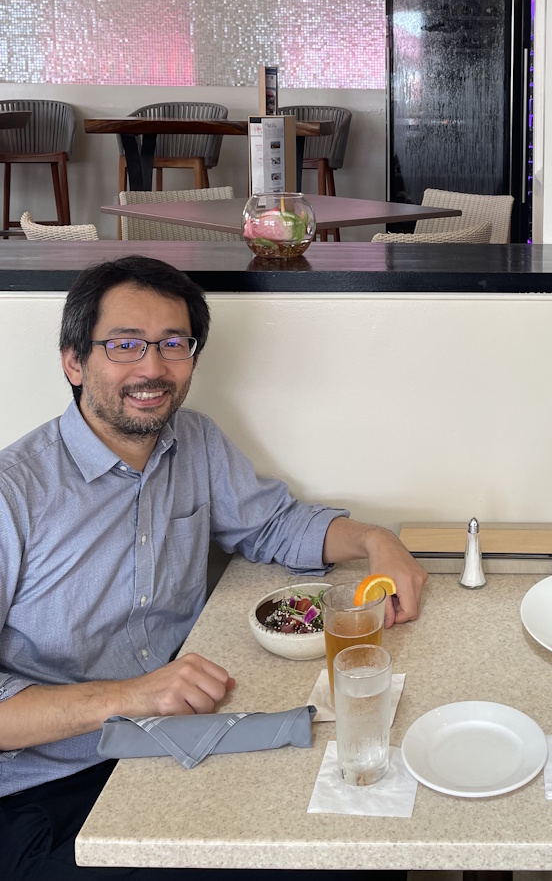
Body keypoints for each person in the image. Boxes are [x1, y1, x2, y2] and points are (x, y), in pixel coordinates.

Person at [0, 255, 426, 881]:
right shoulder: (14, 493)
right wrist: (131, 695)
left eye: (173, 344)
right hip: (48, 789)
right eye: (125, 344)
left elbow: (272, 525)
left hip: (178, 742)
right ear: (73, 362)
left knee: (364, 835)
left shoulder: (193, 441)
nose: (152, 368)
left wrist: (374, 539)